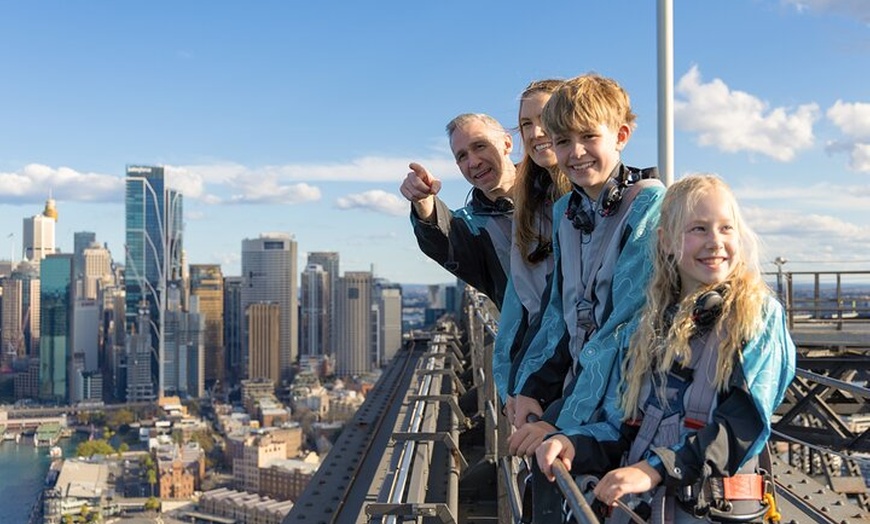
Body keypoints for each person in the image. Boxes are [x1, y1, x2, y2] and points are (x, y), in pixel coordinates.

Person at [536, 174, 796, 523]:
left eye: (726, 228)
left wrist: (658, 468)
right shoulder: (648, 326)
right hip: (652, 509)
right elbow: (623, 426)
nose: (715, 242)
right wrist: (573, 444)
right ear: (667, 241)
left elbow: (742, 425)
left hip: (713, 509)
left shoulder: (757, 317)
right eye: (698, 229)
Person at [505, 73, 665, 522]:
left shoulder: (648, 205)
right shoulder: (566, 213)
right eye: (562, 140)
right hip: (583, 392)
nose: (574, 153)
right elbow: (560, 314)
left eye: (588, 137)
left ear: (621, 135)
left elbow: (622, 327)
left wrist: (561, 424)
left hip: (627, 404)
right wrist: (531, 391)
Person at [493, 79, 572, 407]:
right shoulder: (531, 203)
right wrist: (512, 384)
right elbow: (520, 309)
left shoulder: (598, 203)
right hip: (543, 379)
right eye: (527, 123)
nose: (536, 132)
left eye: (546, 118)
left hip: (575, 382)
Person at [400, 113, 516, 309]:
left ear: (506, 143)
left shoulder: (557, 188)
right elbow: (441, 238)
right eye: (462, 156)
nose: (473, 162)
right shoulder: (472, 228)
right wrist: (424, 200)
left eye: (480, 145)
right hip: (532, 338)